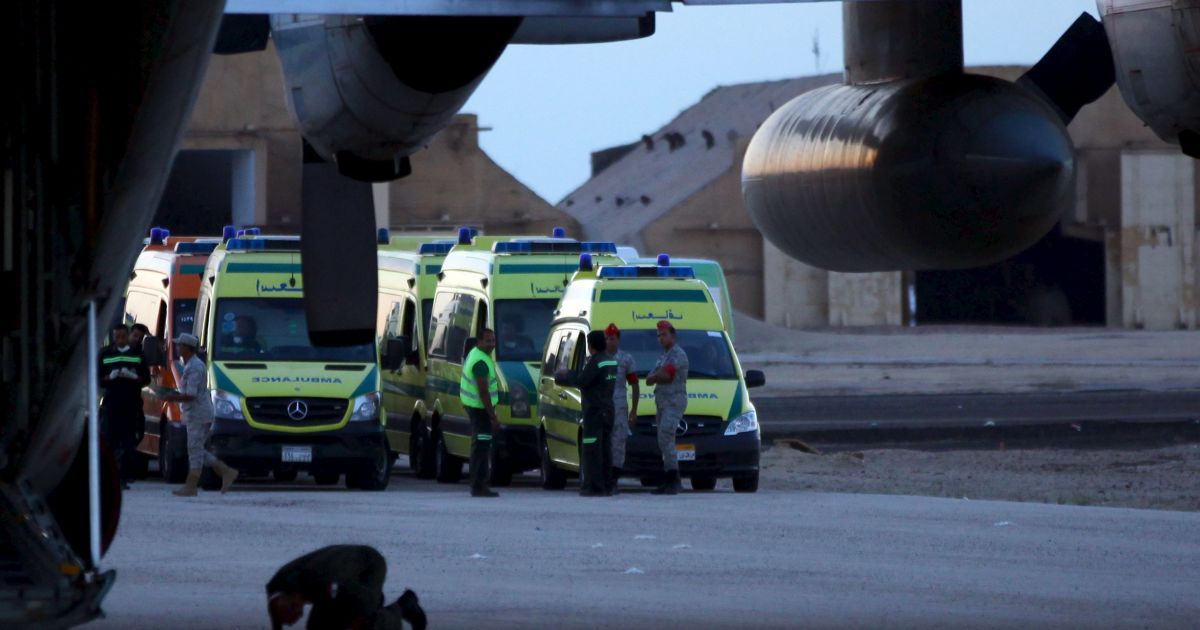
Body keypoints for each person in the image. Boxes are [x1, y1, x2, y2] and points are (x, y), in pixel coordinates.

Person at [266, 544, 427, 630]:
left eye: (292, 620)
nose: (292, 624)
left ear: (296, 605)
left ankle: (404, 605)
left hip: (368, 566)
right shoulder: (275, 588)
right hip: (335, 579)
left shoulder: (326, 583)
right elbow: (276, 615)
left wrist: (370, 608)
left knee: (364, 622)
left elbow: (364, 601)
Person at [162, 333, 239, 496]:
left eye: (179, 345)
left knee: (194, 449)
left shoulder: (195, 367)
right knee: (196, 448)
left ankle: (192, 485)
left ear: (186, 348)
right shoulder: (191, 364)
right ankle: (225, 471)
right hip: (196, 413)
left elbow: (191, 394)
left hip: (198, 413)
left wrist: (172, 397)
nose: (177, 348)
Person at [555, 330, 617, 497]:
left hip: (594, 412)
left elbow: (582, 381)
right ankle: (607, 485)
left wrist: (566, 375)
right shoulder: (611, 361)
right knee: (605, 449)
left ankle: (594, 486)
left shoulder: (596, 362)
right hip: (608, 410)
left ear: (591, 346)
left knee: (592, 450)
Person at [98, 324, 150, 488]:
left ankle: (123, 477)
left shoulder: (137, 354)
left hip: (130, 404)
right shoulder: (106, 353)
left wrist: (134, 377)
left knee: (128, 443)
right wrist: (109, 377)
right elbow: (97, 378)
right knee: (108, 442)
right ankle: (107, 478)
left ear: (127, 336)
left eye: (122, 336)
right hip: (111, 405)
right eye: (116, 336)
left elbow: (146, 379)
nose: (119, 340)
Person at [645, 321, 688, 495]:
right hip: (662, 402)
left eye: (664, 335)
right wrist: (656, 376)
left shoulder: (677, 355)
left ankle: (674, 478)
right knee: (663, 441)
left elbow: (666, 375)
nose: (661, 338)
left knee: (666, 437)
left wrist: (656, 376)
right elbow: (649, 378)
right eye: (659, 335)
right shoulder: (664, 357)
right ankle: (669, 477)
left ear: (673, 336)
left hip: (673, 402)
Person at [460, 328, 501, 497]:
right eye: (488, 341)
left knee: (479, 447)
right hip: (480, 409)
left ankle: (478, 485)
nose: (492, 344)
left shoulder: (475, 353)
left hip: (475, 407)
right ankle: (479, 486)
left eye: (493, 340)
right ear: (479, 342)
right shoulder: (481, 362)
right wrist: (493, 416)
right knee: (482, 449)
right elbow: (483, 391)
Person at [604, 323, 639, 494]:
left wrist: (634, 410)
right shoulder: (598, 359)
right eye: (607, 339)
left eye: (612, 339)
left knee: (618, 441)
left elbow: (634, 384)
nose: (609, 342)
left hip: (619, 405)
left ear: (618, 340)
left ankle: (614, 478)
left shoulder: (626, 359)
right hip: (602, 404)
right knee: (603, 441)